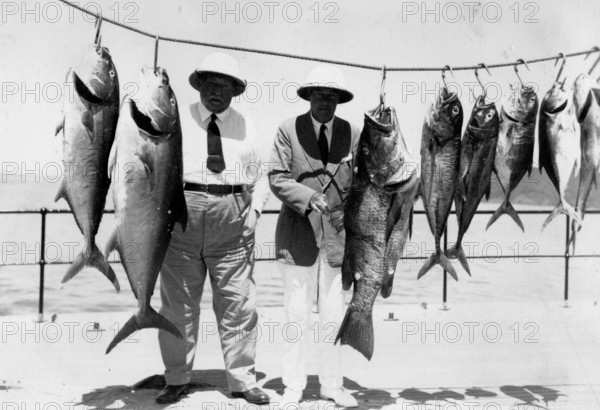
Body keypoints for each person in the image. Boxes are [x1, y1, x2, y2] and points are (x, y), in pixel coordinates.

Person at [156, 52, 270, 405]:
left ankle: (242, 380)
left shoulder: (248, 125)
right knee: (178, 306)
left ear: (235, 91)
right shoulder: (174, 117)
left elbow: (261, 178)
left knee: (238, 304)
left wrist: (255, 214)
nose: (216, 91)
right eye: (210, 83)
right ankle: (176, 379)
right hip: (182, 218)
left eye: (225, 85)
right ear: (199, 85)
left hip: (232, 218)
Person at [268, 64, 360, 408]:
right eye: (319, 94)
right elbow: (277, 178)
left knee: (334, 314)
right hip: (297, 235)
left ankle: (332, 385)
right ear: (308, 97)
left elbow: (365, 181)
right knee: (296, 313)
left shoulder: (353, 133)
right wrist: (309, 198)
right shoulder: (287, 130)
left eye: (332, 95)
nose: (325, 101)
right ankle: (293, 386)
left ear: (339, 100)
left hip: (338, 238)